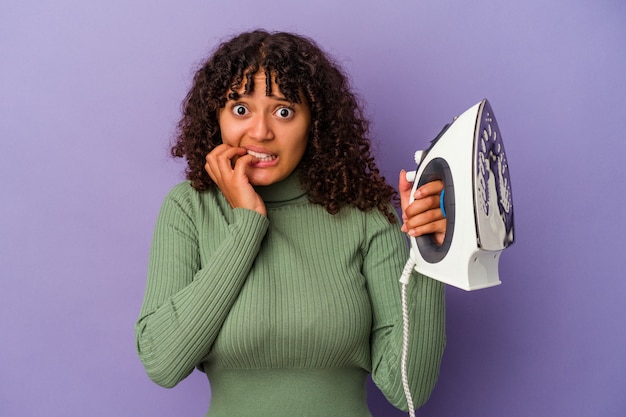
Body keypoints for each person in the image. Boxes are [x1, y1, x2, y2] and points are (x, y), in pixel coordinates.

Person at [135, 29, 446, 417]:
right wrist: (247, 224)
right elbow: (163, 363)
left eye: (284, 111)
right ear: (215, 117)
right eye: (240, 109)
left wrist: (428, 257)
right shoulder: (188, 209)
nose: (261, 132)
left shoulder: (367, 212)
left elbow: (408, 391)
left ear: (314, 122)